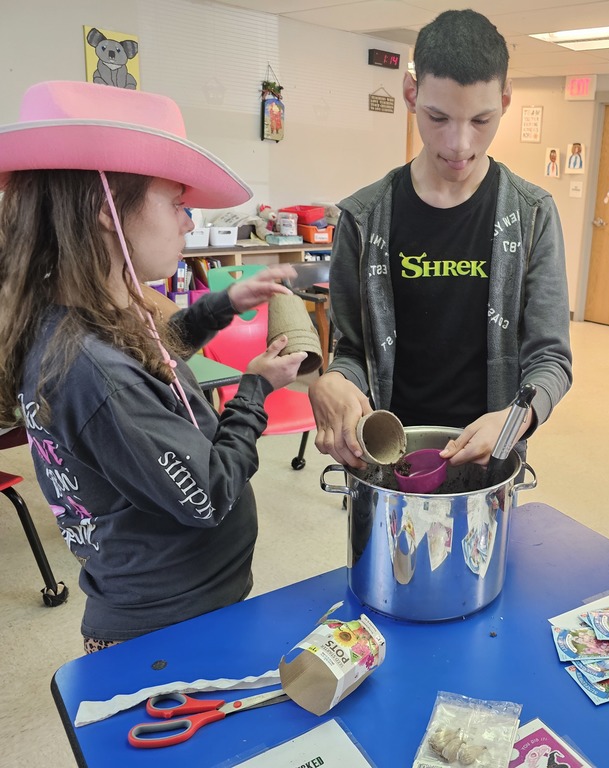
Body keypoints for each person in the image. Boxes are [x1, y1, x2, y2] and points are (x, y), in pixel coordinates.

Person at [0, 80, 307, 652]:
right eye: (177, 203)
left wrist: (222, 306)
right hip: (165, 635)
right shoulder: (91, 370)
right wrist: (254, 390)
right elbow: (209, 493)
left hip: (188, 606)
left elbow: (153, 353)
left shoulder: (82, 318)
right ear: (104, 208)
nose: (189, 221)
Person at [310, 9, 572, 469]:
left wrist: (514, 419)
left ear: (506, 100)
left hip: (488, 460)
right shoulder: (362, 218)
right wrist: (334, 380)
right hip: (386, 458)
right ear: (411, 94)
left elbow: (551, 359)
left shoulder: (533, 216)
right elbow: (353, 350)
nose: (459, 144)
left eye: (481, 120)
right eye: (438, 117)